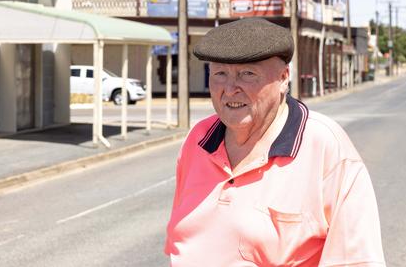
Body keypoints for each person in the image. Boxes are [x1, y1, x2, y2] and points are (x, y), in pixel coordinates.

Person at [165, 18, 385, 266]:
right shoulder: (198, 139)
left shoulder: (323, 145)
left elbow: (355, 261)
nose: (230, 88)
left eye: (247, 74)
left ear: (283, 78)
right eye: (220, 73)